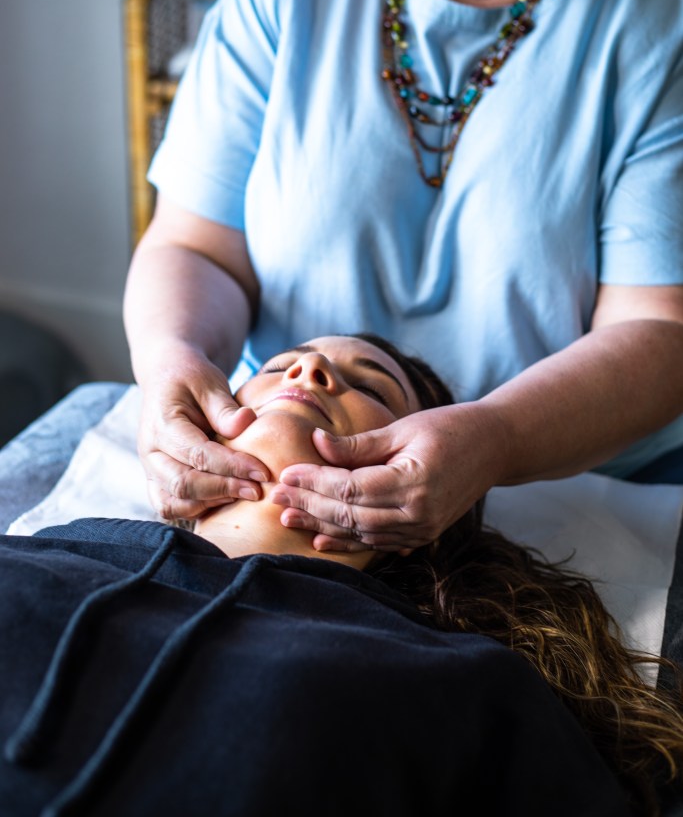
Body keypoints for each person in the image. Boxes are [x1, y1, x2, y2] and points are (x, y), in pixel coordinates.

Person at [123, 0, 683, 557]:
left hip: (569, 482)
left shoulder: (655, 31)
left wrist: (496, 439)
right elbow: (196, 247)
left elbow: (656, 330)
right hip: (289, 474)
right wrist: (172, 362)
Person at [1, 335, 682, 816]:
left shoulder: (461, 686)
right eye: (277, 365)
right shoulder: (28, 554)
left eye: (369, 385)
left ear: (431, 504)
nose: (309, 375)